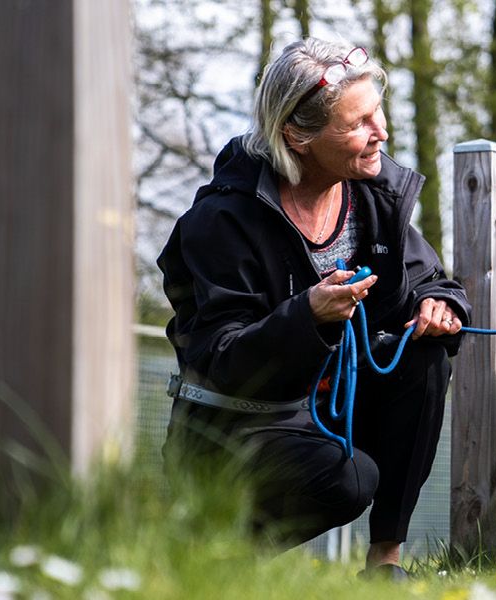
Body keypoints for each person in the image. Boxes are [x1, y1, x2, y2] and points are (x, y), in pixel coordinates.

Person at [157, 38, 470, 580]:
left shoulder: (374, 196)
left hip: (330, 405)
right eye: (359, 123)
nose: (383, 133)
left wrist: (439, 303)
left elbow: (427, 279)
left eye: (378, 113)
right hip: (240, 425)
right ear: (297, 137)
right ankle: (210, 554)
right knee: (350, 480)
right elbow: (220, 358)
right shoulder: (222, 222)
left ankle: (384, 567)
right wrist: (308, 315)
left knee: (426, 357)